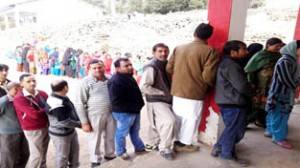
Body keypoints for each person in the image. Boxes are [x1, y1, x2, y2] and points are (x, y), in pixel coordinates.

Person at [166, 23, 220, 152]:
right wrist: (210, 85)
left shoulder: (179, 48)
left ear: (194, 34)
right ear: (209, 37)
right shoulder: (210, 51)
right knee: (192, 118)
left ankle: (177, 141)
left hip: (177, 90)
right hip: (195, 91)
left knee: (179, 117)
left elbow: (169, 68)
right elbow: (208, 76)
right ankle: (185, 144)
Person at [211, 40, 254, 167]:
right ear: (233, 52)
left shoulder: (227, 62)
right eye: (244, 49)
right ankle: (226, 155)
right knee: (236, 131)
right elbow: (241, 86)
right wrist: (252, 91)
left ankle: (218, 147)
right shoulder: (232, 66)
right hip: (233, 101)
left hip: (226, 100)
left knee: (231, 128)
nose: (247, 52)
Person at [75, 59, 116, 167]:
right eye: (94, 68)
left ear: (104, 67)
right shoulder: (85, 82)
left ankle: (110, 154)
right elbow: (79, 103)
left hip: (111, 113)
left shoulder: (110, 78)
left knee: (110, 136)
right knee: (94, 139)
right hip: (94, 115)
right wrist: (84, 122)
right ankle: (95, 159)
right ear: (89, 69)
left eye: (100, 67)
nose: (98, 69)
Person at [140, 43, 176, 160]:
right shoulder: (151, 66)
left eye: (165, 51)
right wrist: (162, 93)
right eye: (160, 51)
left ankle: (152, 144)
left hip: (164, 99)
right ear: (154, 52)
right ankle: (165, 148)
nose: (163, 53)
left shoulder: (164, 64)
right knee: (169, 121)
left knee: (155, 122)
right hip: (157, 100)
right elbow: (144, 86)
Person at [108, 58, 146, 160]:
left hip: (134, 110)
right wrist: (131, 108)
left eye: (130, 64)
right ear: (118, 68)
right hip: (124, 112)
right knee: (122, 132)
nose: (130, 67)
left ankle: (139, 147)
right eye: (126, 66)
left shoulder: (129, 77)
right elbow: (115, 101)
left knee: (135, 131)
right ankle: (121, 152)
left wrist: (139, 105)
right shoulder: (115, 81)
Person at [265, 40, 300, 149]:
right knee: (281, 115)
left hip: (281, 91)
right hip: (281, 92)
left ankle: (271, 131)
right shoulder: (285, 61)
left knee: (275, 112)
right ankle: (278, 138)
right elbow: (285, 79)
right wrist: (296, 86)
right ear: (295, 49)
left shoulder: (291, 60)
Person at [244, 38, 284, 128]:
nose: (278, 48)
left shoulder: (278, 56)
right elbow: (250, 70)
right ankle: (245, 122)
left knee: (268, 104)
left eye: (280, 46)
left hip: (273, 85)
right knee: (257, 104)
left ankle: (262, 120)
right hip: (261, 85)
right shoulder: (259, 55)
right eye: (276, 46)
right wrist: (251, 83)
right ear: (268, 45)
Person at [13, 74, 50, 168]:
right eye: (28, 81)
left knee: (43, 151)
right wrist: (48, 109)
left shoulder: (42, 93)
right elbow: (33, 114)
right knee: (36, 155)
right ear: (21, 84)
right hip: (33, 129)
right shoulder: (19, 98)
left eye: (34, 80)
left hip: (46, 126)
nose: (32, 83)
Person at [46, 79, 81, 168]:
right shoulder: (56, 103)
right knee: (62, 157)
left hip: (70, 131)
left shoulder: (61, 96)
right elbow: (64, 122)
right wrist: (79, 124)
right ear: (65, 87)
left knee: (74, 154)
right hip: (60, 134)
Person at [0, 82, 29, 168]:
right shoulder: (4, 101)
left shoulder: (21, 99)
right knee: (8, 157)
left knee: (24, 154)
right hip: (8, 134)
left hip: (22, 131)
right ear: (15, 89)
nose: (22, 90)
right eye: (20, 88)